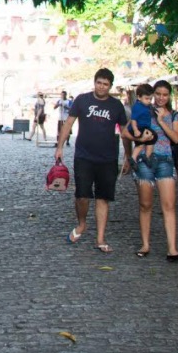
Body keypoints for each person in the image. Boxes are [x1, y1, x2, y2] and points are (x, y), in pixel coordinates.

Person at [57, 68, 128, 253]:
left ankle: (100, 238)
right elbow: (69, 123)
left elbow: (125, 132)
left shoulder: (116, 106)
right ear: (94, 82)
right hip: (84, 156)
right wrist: (59, 147)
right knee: (82, 195)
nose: (102, 87)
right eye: (99, 83)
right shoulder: (82, 100)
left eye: (105, 84)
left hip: (108, 158)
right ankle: (82, 223)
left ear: (110, 86)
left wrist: (128, 155)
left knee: (103, 198)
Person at [125, 80, 178, 261]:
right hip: (145, 161)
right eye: (158, 94)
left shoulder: (175, 115)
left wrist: (161, 121)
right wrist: (139, 137)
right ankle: (145, 244)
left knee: (169, 206)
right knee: (145, 205)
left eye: (165, 94)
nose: (160, 98)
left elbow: (176, 138)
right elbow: (125, 132)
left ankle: (172, 249)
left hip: (165, 161)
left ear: (169, 96)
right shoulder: (144, 109)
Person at [126, 83, 157, 168]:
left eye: (151, 99)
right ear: (139, 97)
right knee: (143, 141)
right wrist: (135, 130)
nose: (149, 101)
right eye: (147, 98)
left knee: (150, 138)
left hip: (144, 127)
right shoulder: (137, 107)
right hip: (138, 128)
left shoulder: (146, 105)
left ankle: (145, 156)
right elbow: (133, 120)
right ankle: (136, 157)